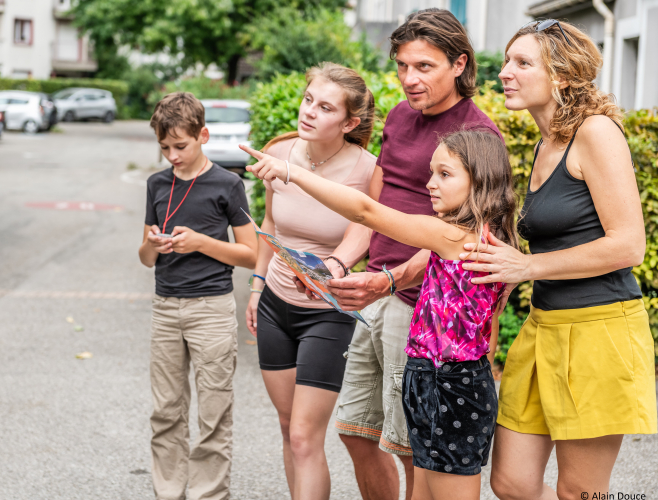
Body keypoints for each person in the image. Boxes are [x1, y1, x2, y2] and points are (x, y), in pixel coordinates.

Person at [289, 9, 502, 500]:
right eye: (403, 66)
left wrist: (391, 280)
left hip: (420, 310)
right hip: (378, 295)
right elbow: (375, 208)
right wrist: (341, 265)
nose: (409, 79)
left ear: (459, 64)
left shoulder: (478, 135)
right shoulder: (402, 116)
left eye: (424, 66)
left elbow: (464, 240)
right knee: (356, 430)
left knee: (412, 449)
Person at [243, 127, 517, 500]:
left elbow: (365, 210)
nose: (430, 184)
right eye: (432, 172)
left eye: (445, 174)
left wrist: (291, 172)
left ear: (480, 181)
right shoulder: (479, 236)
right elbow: (489, 329)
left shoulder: (457, 239)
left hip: (449, 385)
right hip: (438, 379)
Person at [455, 21, 658, 500]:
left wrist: (527, 268)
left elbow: (629, 245)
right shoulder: (548, 143)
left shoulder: (596, 133)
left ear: (562, 75)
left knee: (582, 491)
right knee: (511, 482)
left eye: (523, 63)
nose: (505, 72)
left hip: (597, 332)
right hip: (542, 328)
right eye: (507, 61)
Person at [244, 62, 377, 500]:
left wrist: (336, 266)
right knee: (287, 429)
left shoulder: (367, 169)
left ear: (350, 122)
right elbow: (269, 223)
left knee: (305, 436)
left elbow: (370, 228)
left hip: (328, 313)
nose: (309, 112)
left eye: (324, 107)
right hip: (275, 305)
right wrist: (257, 286)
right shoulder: (279, 151)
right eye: (308, 100)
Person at [138, 92, 258, 500]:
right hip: (166, 306)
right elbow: (144, 257)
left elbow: (250, 253)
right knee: (165, 411)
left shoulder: (228, 184)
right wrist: (155, 243)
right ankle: (168, 492)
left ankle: (209, 494)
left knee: (213, 412)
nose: (172, 156)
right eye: (165, 147)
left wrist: (201, 243)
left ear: (203, 135)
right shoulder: (157, 184)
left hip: (211, 307)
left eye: (181, 146)